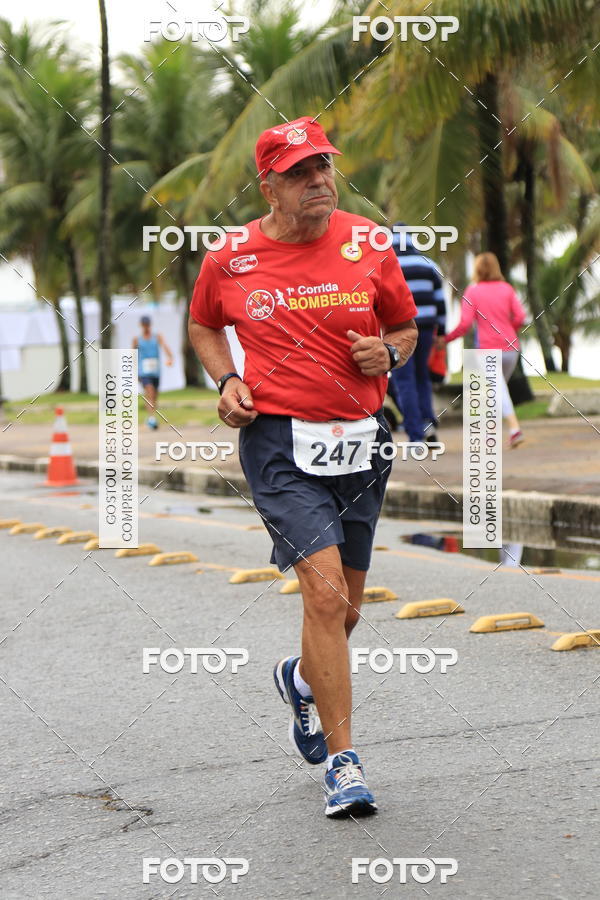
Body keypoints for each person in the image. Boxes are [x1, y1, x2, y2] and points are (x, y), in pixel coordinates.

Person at [188, 116, 417, 818]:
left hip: (360, 439)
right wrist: (228, 380)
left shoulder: (369, 242)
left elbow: (405, 327)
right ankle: (344, 765)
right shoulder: (231, 258)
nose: (318, 180)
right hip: (280, 443)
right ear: (269, 187)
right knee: (323, 596)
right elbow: (204, 323)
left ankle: (301, 678)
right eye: (299, 173)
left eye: (323, 166)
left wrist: (390, 352)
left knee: (344, 610)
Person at [441, 252, 527, 448]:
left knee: (496, 389)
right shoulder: (507, 288)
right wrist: (509, 329)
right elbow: (521, 317)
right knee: (497, 389)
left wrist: (446, 340)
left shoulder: (473, 291)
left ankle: (514, 429)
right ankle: (490, 434)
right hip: (511, 348)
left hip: (488, 349)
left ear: (477, 269)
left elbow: (465, 324)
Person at [389, 227, 447, 442]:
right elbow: (440, 301)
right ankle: (428, 424)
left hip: (398, 329)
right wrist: (441, 332)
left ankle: (415, 434)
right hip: (426, 329)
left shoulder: (388, 263)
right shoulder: (428, 264)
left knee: (404, 380)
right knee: (422, 376)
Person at [132, 315, 173, 430]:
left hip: (155, 371)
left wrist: (170, 357)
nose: (146, 326)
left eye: (148, 324)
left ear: (150, 324)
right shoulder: (137, 339)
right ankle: (152, 418)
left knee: (154, 396)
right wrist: (135, 372)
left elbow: (165, 346)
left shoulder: (157, 336)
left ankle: (150, 417)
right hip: (144, 371)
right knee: (149, 392)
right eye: (144, 324)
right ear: (141, 325)